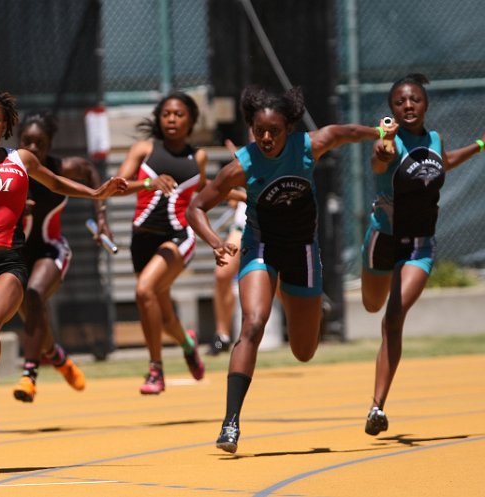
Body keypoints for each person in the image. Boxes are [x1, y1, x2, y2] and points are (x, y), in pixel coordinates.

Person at [186, 85, 397, 454]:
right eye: (259, 131)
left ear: (289, 129)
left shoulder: (308, 146)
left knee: (304, 351)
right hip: (261, 248)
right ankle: (230, 423)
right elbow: (196, 208)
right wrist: (216, 244)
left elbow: (345, 133)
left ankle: (287, 290)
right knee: (252, 324)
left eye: (275, 131)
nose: (266, 138)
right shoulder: (243, 166)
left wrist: (381, 132)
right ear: (252, 129)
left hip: (301, 250)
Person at [0, 84, 126, 451]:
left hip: (9, 261)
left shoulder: (22, 159)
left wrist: (96, 194)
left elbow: (56, 183)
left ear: (6, 123)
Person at [360, 73, 485, 436]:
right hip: (382, 240)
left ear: (426, 104)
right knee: (371, 305)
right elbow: (379, 160)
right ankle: (377, 403)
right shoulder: (389, 143)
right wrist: (382, 149)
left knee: (392, 319)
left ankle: (376, 407)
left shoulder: (434, 139)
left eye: (414, 99)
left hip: (419, 245)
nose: (408, 105)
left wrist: (479, 144)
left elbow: (443, 161)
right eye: (400, 102)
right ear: (392, 110)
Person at [12, 110, 113, 403]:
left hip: (51, 249)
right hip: (16, 255)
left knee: (34, 294)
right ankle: (57, 358)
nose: (32, 149)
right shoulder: (9, 171)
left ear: (50, 144)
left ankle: (29, 375)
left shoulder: (61, 168)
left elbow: (90, 171)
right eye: (26, 142)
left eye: (39, 143)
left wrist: (102, 217)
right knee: (35, 317)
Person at [114, 91, 208, 395]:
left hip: (179, 237)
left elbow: (206, 193)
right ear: (159, 117)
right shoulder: (144, 149)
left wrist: (240, 196)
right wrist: (147, 182)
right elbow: (117, 187)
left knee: (144, 291)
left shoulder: (199, 157)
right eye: (166, 113)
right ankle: (188, 344)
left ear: (191, 121)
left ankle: (156, 369)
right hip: (141, 240)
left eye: (179, 114)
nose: (172, 119)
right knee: (164, 315)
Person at [211, 198, 247, 355]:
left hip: (270, 229)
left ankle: (313, 312)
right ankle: (222, 336)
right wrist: (236, 195)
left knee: (280, 284)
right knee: (222, 274)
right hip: (243, 226)